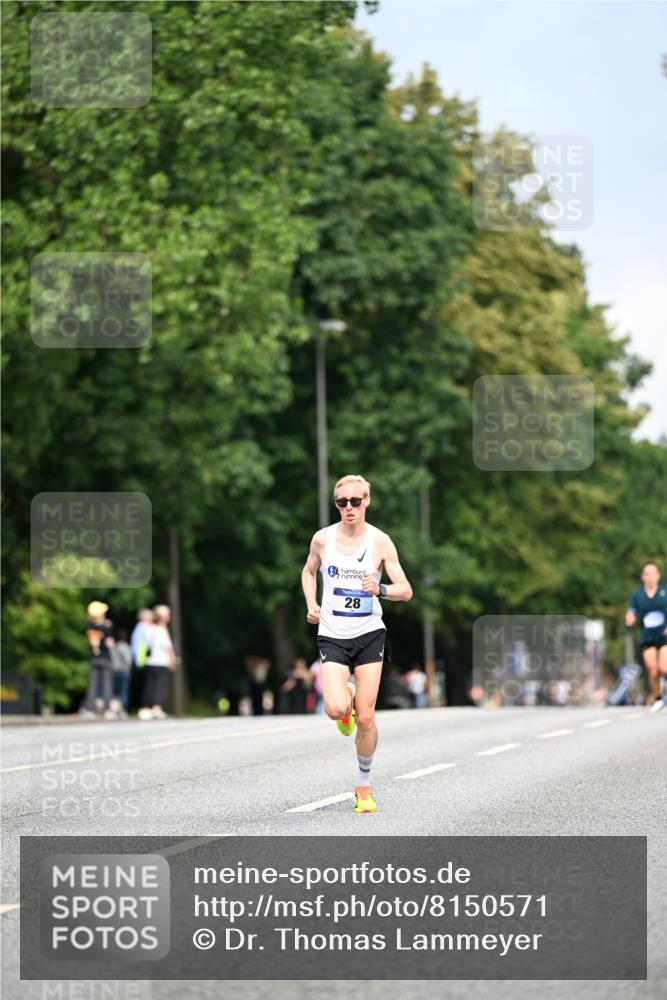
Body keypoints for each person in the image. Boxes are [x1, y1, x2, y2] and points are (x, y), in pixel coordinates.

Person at [301, 474, 413, 813]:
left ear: (367, 501)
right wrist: (311, 604)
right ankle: (344, 701)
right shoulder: (323, 540)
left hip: (368, 634)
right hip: (333, 633)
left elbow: (405, 590)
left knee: (365, 718)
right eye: (342, 502)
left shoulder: (380, 542)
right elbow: (308, 572)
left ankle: (363, 787)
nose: (348, 507)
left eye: (355, 501)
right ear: (336, 504)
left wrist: (379, 590)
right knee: (336, 709)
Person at [625, 561, 667, 713]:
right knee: (652, 669)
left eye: (653, 574)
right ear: (643, 577)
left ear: (658, 576)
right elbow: (631, 611)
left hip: (664, 637)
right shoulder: (637, 595)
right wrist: (630, 617)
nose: (650, 577)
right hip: (647, 638)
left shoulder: (664, 592)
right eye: (647, 574)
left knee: (664, 667)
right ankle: (658, 698)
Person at [138, 604, 175, 720]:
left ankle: (146, 708)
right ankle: (157, 708)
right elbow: (168, 647)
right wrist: (171, 660)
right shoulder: (162, 630)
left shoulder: (149, 629)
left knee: (150, 685)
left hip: (150, 661)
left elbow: (145, 645)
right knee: (160, 686)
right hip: (161, 662)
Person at [82, 600, 114, 718]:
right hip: (105, 658)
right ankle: (107, 710)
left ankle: (89, 709)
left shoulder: (89, 627)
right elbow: (110, 644)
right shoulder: (106, 628)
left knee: (93, 684)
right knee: (107, 684)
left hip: (93, 658)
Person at [110, 629, 132, 716]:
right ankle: (123, 709)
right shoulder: (125, 647)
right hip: (123, 671)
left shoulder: (113, 647)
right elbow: (128, 661)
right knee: (124, 691)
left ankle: (114, 709)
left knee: (115, 692)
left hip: (114, 671)